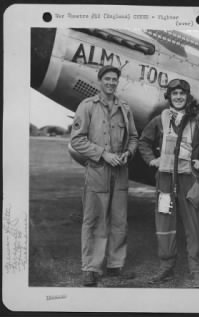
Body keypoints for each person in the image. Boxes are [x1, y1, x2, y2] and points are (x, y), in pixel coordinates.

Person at [138, 79, 199, 288]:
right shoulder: (160, 120)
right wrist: (150, 159)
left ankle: (196, 271)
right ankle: (166, 267)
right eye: (174, 94)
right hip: (165, 180)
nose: (178, 97)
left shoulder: (198, 122)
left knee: (194, 226)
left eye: (182, 93)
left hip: (189, 180)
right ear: (169, 97)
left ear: (187, 96)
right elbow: (144, 142)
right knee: (164, 223)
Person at [70, 65, 139, 286]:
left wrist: (129, 152)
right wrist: (103, 155)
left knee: (119, 221)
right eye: (107, 79)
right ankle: (90, 268)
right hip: (98, 170)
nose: (111, 83)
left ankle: (115, 265)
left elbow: (134, 137)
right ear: (99, 81)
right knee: (93, 220)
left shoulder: (125, 108)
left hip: (120, 172)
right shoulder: (87, 106)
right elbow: (77, 140)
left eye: (114, 79)